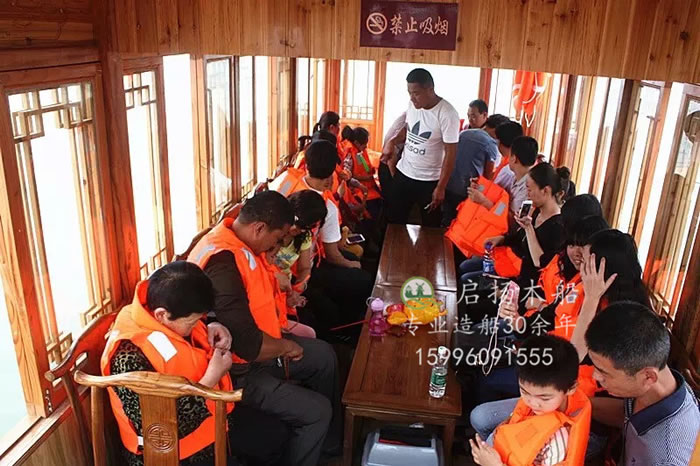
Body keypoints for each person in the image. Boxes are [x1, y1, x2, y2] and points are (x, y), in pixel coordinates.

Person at [187, 191, 340, 466]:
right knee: (318, 411)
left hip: (262, 346)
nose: (277, 246)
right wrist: (286, 346)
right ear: (259, 228)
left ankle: (327, 441)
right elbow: (248, 345)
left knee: (324, 356)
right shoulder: (223, 263)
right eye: (277, 239)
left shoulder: (238, 241)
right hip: (237, 371)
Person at [102, 261, 289, 466]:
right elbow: (160, 429)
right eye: (192, 322)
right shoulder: (128, 358)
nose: (196, 325)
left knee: (276, 435)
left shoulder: (163, 311)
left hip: (214, 419)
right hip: (173, 453)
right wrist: (211, 379)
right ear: (162, 315)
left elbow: (184, 338)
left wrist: (212, 325)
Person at [585, 302, 700, 465]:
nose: (595, 376)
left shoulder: (665, 457)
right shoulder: (658, 384)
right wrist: (573, 403)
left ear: (648, 377)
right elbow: (626, 415)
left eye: (604, 373)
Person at [470, 335, 591, 466]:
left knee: (487, 443)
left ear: (570, 389)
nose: (532, 403)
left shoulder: (558, 441)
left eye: (544, 398)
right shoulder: (539, 400)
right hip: (513, 445)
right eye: (524, 392)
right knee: (478, 417)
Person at [383, 68, 460, 227]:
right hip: (404, 172)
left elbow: (451, 153)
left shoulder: (447, 113)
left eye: (416, 93)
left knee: (430, 226)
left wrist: (441, 187)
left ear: (430, 89)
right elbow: (407, 130)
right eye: (409, 93)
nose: (412, 98)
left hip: (430, 180)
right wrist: (392, 141)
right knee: (393, 220)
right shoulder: (412, 105)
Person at [457, 136, 538, 282]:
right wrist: (480, 187)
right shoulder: (512, 174)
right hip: (498, 238)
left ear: (514, 158)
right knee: (463, 264)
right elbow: (497, 195)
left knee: (466, 275)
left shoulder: (528, 188)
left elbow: (513, 221)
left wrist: (484, 202)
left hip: (511, 249)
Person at [442, 123, 501, 227]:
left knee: (447, 219)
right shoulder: (490, 143)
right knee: (462, 222)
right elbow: (488, 175)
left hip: (448, 183)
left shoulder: (463, 133)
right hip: (467, 189)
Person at [340, 125, 382, 221]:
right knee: (375, 207)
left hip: (367, 186)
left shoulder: (359, 153)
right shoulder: (349, 155)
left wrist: (372, 172)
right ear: (356, 143)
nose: (366, 146)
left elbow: (365, 168)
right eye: (364, 144)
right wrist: (367, 178)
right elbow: (348, 177)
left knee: (381, 199)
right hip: (356, 189)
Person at [379, 111, 406, 198]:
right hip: (388, 167)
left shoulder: (405, 117)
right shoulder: (403, 129)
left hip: (386, 165)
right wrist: (395, 180)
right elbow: (390, 158)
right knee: (392, 198)